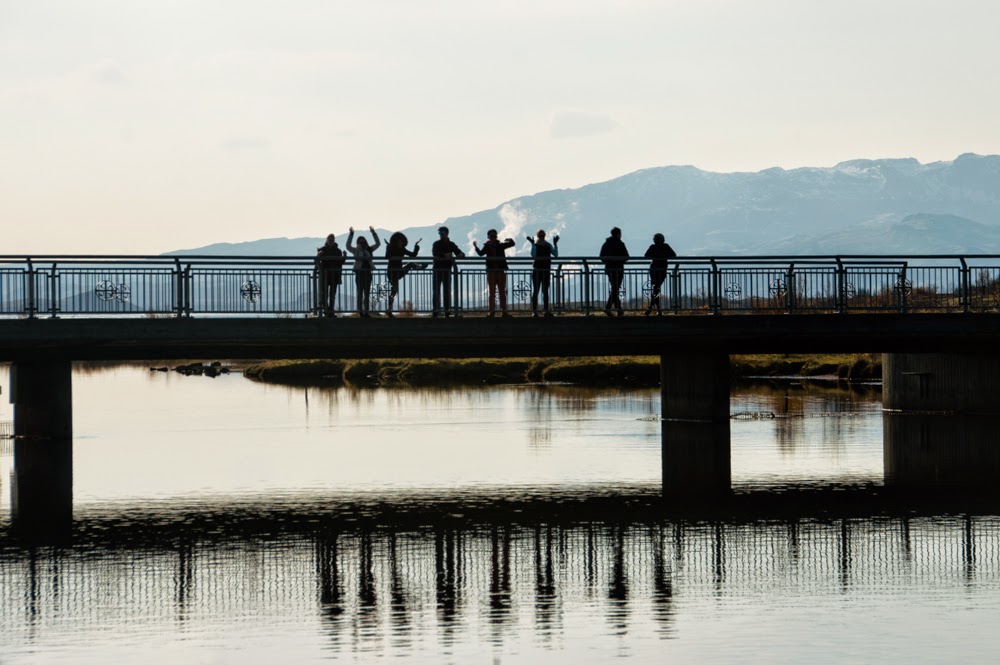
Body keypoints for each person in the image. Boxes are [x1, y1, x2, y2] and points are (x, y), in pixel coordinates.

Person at [473, 229, 516, 317]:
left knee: (502, 292)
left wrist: (509, 239)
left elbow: (512, 244)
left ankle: (503, 311)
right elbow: (481, 253)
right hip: (492, 272)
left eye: (494, 236)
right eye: (491, 236)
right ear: (488, 237)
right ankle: (492, 311)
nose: (493, 238)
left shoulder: (500, 245)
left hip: (500, 271)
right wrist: (476, 247)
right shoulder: (488, 246)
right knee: (492, 293)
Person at [385, 232, 427, 317]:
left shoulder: (403, 249)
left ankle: (419, 267)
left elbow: (413, 255)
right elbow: (387, 256)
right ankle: (389, 310)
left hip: (399, 271)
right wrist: (389, 247)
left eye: (401, 241)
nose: (401, 243)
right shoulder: (391, 247)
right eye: (399, 241)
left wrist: (416, 246)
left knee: (410, 264)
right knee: (394, 290)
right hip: (392, 272)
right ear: (395, 241)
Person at [346, 225, 381, 317]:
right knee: (360, 293)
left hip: (368, 273)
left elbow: (378, 243)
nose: (363, 243)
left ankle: (366, 311)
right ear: (358, 243)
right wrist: (351, 234)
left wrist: (373, 233)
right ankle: (360, 311)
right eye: (361, 242)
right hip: (359, 273)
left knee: (367, 293)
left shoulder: (369, 249)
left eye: (364, 242)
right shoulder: (355, 250)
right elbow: (348, 246)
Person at [431, 226, 465, 317]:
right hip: (437, 270)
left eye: (442, 233)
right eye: (439, 233)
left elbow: (459, 252)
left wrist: (461, 255)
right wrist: (445, 255)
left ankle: (447, 311)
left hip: (447, 270)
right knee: (436, 291)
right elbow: (435, 253)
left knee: (447, 291)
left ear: (447, 233)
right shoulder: (436, 244)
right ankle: (435, 311)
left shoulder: (451, 244)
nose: (441, 235)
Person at [526, 229, 559, 317]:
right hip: (537, 270)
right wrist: (532, 244)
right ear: (538, 236)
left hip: (546, 270)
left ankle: (546, 311)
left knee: (545, 291)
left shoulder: (548, 245)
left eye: (543, 235)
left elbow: (555, 254)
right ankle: (535, 311)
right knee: (536, 291)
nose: (541, 237)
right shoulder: (536, 245)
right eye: (540, 236)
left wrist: (555, 244)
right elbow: (533, 255)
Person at [643, 233, 677, 316]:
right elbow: (673, 255)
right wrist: (663, 256)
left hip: (655, 270)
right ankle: (655, 309)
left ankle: (652, 308)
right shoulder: (664, 247)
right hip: (660, 270)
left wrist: (656, 256)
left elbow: (646, 256)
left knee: (656, 289)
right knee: (656, 289)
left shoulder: (654, 247)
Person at [599, 226, 629, 316]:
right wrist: (620, 260)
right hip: (618, 269)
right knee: (615, 288)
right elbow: (626, 256)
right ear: (619, 234)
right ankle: (609, 308)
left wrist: (608, 262)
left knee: (614, 288)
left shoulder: (606, 244)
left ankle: (618, 309)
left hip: (609, 268)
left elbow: (601, 256)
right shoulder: (620, 244)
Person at [316, 233, 346, 317]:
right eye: (329, 240)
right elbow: (317, 261)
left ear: (334, 241)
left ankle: (330, 311)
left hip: (334, 275)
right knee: (324, 294)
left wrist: (344, 257)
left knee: (332, 294)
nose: (331, 242)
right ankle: (327, 310)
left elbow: (341, 262)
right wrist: (318, 255)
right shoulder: (322, 250)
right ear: (327, 240)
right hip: (325, 275)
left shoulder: (338, 251)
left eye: (332, 240)